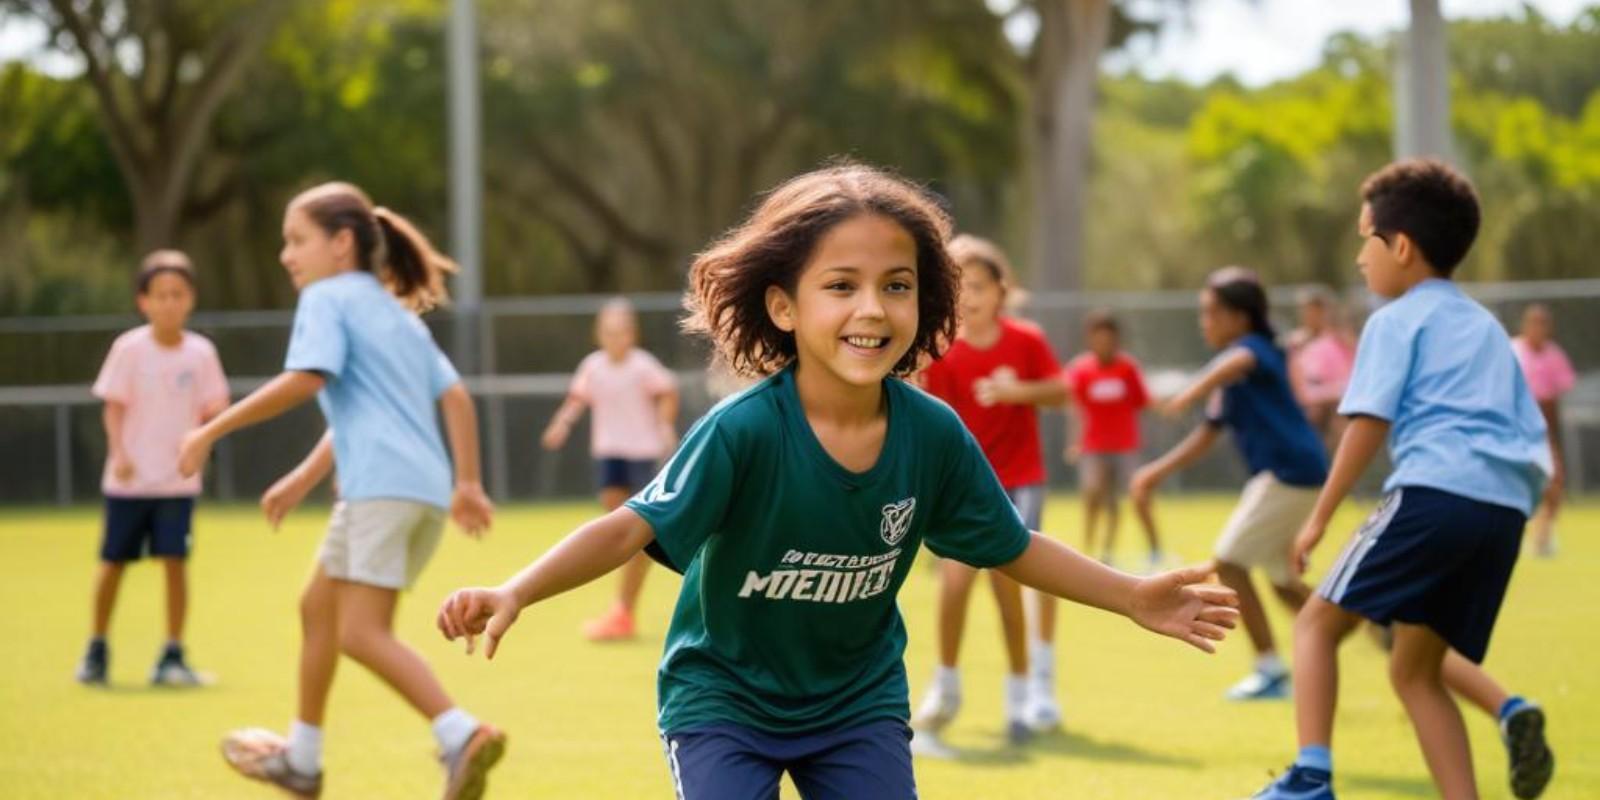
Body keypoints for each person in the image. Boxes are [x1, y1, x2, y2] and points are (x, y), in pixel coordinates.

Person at [435, 164, 1239, 800]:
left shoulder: (931, 435)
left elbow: (1009, 545)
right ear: (784, 307)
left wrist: (1132, 596)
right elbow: (630, 526)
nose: (874, 307)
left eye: (897, 284)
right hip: (726, 703)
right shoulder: (745, 430)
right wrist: (516, 591)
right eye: (842, 284)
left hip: (856, 705)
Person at [175, 182, 503, 800]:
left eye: (297, 240)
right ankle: (302, 757)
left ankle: (461, 733)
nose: (286, 255)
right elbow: (450, 398)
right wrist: (466, 483)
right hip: (420, 492)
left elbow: (307, 378)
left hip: (379, 489)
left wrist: (211, 428)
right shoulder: (395, 314)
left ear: (342, 243)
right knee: (317, 609)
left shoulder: (327, 298)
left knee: (359, 631)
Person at [1252, 159, 1554, 800]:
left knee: (1315, 626)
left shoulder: (1395, 320)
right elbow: (1526, 434)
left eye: (1365, 238)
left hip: (1433, 495)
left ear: (1403, 246)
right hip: (1500, 514)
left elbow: (1367, 423)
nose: (1360, 257)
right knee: (1414, 670)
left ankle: (1309, 779)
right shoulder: (1487, 329)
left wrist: (1318, 516)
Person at [1131, 267, 1328, 702]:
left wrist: (1191, 390)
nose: (1205, 322)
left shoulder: (1254, 350)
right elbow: (1207, 435)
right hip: (1292, 473)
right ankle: (1359, 623)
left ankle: (1271, 670)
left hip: (1289, 473)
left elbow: (1238, 360)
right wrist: (1155, 473)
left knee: (1230, 562)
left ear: (1240, 317)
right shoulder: (1235, 379)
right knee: (1281, 582)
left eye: (1212, 313)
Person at [912, 234, 1068, 751]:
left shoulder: (1026, 340)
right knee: (955, 583)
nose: (968, 297)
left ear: (1002, 290)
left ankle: (1022, 691)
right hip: (965, 487)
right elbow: (934, 422)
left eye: (978, 286)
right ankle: (946, 687)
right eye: (958, 288)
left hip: (1019, 480)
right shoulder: (943, 352)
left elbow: (1062, 390)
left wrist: (1016, 391)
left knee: (1009, 581)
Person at [76, 251, 229, 688]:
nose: (168, 303)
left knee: (175, 562)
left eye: (177, 294)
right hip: (128, 482)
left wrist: (203, 444)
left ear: (190, 300)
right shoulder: (129, 349)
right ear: (144, 301)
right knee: (112, 563)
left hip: (176, 483)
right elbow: (114, 406)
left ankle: (172, 655)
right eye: (159, 295)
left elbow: (215, 408)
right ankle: (96, 649)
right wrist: (119, 452)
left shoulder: (201, 353)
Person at [542, 297, 680, 640]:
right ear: (599, 335)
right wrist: (562, 423)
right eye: (609, 332)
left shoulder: (643, 366)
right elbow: (577, 399)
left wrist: (665, 427)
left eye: (621, 332)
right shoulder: (593, 366)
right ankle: (621, 611)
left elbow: (667, 392)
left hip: (641, 454)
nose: (616, 338)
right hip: (610, 454)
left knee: (636, 534)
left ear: (632, 335)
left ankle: (623, 611)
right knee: (615, 531)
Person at [1064, 310, 1155, 569]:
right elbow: (1075, 409)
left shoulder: (1128, 368)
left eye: (1109, 338)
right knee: (1093, 492)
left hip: (1124, 446)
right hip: (1093, 445)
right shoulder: (1081, 369)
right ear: (1090, 339)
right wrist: (1075, 442)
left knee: (1127, 498)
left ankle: (1117, 549)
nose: (1104, 344)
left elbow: (1142, 402)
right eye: (1098, 338)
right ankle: (1088, 548)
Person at [1510, 303, 1576, 558]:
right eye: (1533, 323)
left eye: (1543, 324)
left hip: (1541, 430)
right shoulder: (1513, 350)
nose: (1538, 328)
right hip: (1513, 429)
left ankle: (1543, 533)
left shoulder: (1554, 355)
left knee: (1554, 480)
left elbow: (1555, 398)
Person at [1286, 286, 1356, 449]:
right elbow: (1295, 375)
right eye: (1308, 311)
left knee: (1340, 421)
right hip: (1311, 396)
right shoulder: (1297, 341)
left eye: (1317, 310)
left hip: (1339, 393)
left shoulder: (1339, 337)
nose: (1311, 315)